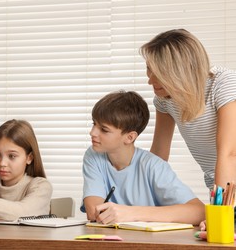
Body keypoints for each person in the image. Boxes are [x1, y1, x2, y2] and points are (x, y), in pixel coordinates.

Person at [140, 29, 236, 229]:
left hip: (227, 193)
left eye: (158, 72)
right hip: (221, 190)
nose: (150, 79)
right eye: (149, 68)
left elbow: (229, 154)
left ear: (179, 70)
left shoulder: (224, 84)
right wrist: (137, 202)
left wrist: (219, 213)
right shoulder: (164, 99)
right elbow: (158, 155)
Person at [81, 90, 205, 225]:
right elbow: (94, 212)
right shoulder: (93, 155)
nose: (92, 132)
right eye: (94, 124)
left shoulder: (153, 165)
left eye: (104, 130)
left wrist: (130, 213)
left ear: (129, 137)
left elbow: (199, 211)